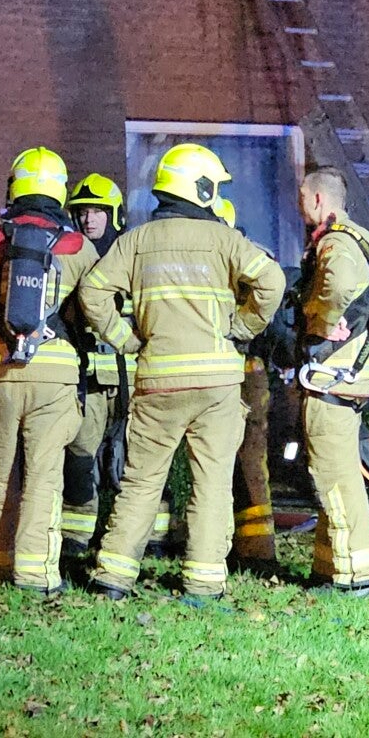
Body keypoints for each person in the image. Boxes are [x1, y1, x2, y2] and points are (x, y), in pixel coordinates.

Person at [81, 144, 284, 602]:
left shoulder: (136, 240)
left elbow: (93, 292)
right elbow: (272, 282)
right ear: (203, 188)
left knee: (142, 481)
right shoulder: (224, 240)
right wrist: (242, 327)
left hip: (158, 381)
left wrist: (125, 338)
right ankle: (204, 582)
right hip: (217, 384)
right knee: (211, 483)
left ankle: (113, 577)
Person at [0, 148, 99, 597]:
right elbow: (95, 306)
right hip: (54, 373)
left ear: (15, 186)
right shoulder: (78, 246)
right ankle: (36, 574)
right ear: (60, 190)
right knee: (43, 475)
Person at [293, 167, 369, 597]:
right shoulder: (365, 240)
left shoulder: (334, 243)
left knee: (333, 479)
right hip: (353, 379)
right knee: (336, 472)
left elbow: (334, 289)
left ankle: (356, 577)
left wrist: (319, 322)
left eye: (302, 196)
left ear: (318, 199)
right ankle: (329, 569)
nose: (299, 204)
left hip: (331, 380)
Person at [59, 173, 129, 557]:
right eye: (83, 212)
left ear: (114, 214)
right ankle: (75, 539)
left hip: (133, 382)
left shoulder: (132, 256)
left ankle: (143, 540)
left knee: (133, 463)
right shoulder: (72, 259)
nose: (89, 219)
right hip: (89, 380)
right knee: (80, 458)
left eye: (98, 211)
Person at [216, 198, 279, 567]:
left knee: (246, 460)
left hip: (242, 370)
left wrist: (239, 329)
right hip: (229, 369)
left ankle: (256, 550)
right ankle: (236, 544)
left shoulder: (245, 260)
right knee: (233, 461)